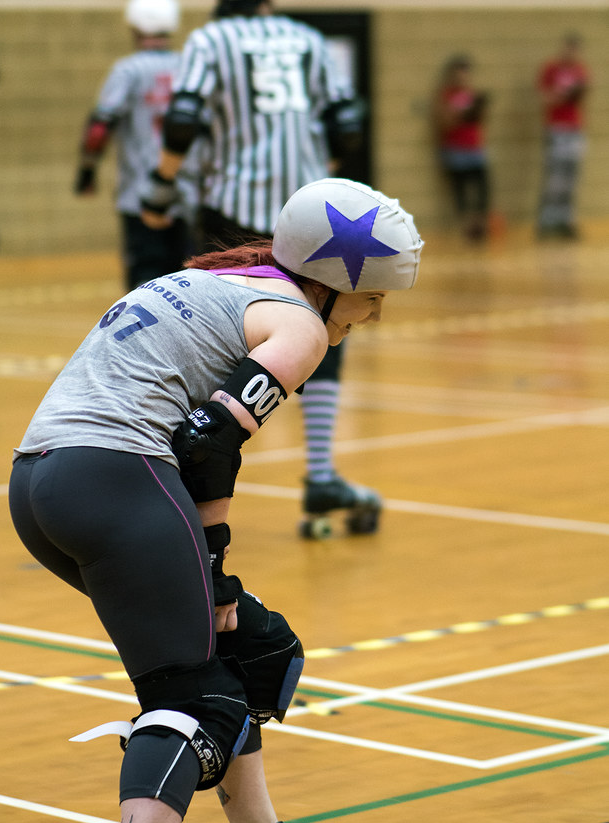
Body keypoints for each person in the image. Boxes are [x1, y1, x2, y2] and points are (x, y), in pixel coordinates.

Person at [8, 177, 423, 823]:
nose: (370, 318)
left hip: (42, 485)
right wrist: (216, 562)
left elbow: (195, 437)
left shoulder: (220, 281)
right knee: (200, 697)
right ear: (336, 283)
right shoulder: (299, 324)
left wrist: (216, 577)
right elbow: (207, 444)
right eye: (371, 300)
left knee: (236, 654)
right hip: (119, 479)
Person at [141, 0, 380, 536]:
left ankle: (178, 478)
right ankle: (320, 473)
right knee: (323, 329)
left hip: (234, 209)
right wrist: (325, 172)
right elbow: (346, 124)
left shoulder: (212, 40)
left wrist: (158, 191)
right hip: (310, 213)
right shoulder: (306, 38)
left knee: (217, 336)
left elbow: (182, 121)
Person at [73, 0, 192, 290]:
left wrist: (87, 171)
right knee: (187, 283)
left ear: (136, 27)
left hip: (141, 195)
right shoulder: (188, 66)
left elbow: (100, 127)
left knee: (145, 283)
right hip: (188, 195)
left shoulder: (128, 70)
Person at [536, 33, 590, 239]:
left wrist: (577, 93)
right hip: (556, 128)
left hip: (575, 127)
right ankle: (545, 221)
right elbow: (544, 97)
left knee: (571, 177)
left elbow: (583, 97)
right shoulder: (551, 69)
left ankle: (566, 221)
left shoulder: (580, 70)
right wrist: (562, 96)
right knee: (554, 177)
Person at [432, 54, 490, 242]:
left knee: (482, 187)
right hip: (455, 149)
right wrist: (460, 115)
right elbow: (444, 123)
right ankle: (465, 226)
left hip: (475, 147)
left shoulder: (472, 93)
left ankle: (480, 224)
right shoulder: (446, 96)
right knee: (461, 189)